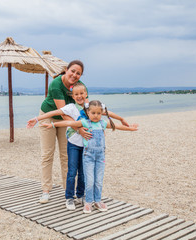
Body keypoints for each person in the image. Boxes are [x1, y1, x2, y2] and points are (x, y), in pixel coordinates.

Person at [27, 83, 131, 210]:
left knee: (83, 173)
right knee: (71, 171)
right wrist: (37, 119)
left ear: (86, 94)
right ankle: (69, 198)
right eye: (76, 94)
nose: (79, 96)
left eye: (82, 93)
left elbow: (106, 113)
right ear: (73, 95)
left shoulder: (90, 107)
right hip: (74, 144)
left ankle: (80, 195)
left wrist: (121, 119)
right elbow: (54, 112)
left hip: (87, 146)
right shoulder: (70, 107)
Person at [41, 100, 139, 213]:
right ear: (88, 112)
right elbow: (69, 124)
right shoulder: (84, 122)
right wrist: (52, 124)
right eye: (93, 113)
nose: (96, 116)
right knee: (89, 180)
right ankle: (88, 202)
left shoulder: (103, 123)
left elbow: (117, 126)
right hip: (88, 157)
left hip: (100, 157)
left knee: (98, 181)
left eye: (98, 113)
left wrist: (131, 128)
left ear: (101, 113)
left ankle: (97, 201)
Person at [35, 60, 86, 204]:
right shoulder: (56, 84)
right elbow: (63, 113)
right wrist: (80, 129)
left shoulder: (79, 87)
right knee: (47, 154)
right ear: (66, 70)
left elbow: (86, 107)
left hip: (67, 120)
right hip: (49, 117)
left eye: (78, 73)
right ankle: (45, 191)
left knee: (66, 156)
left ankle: (68, 191)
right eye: (73, 71)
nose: (75, 75)